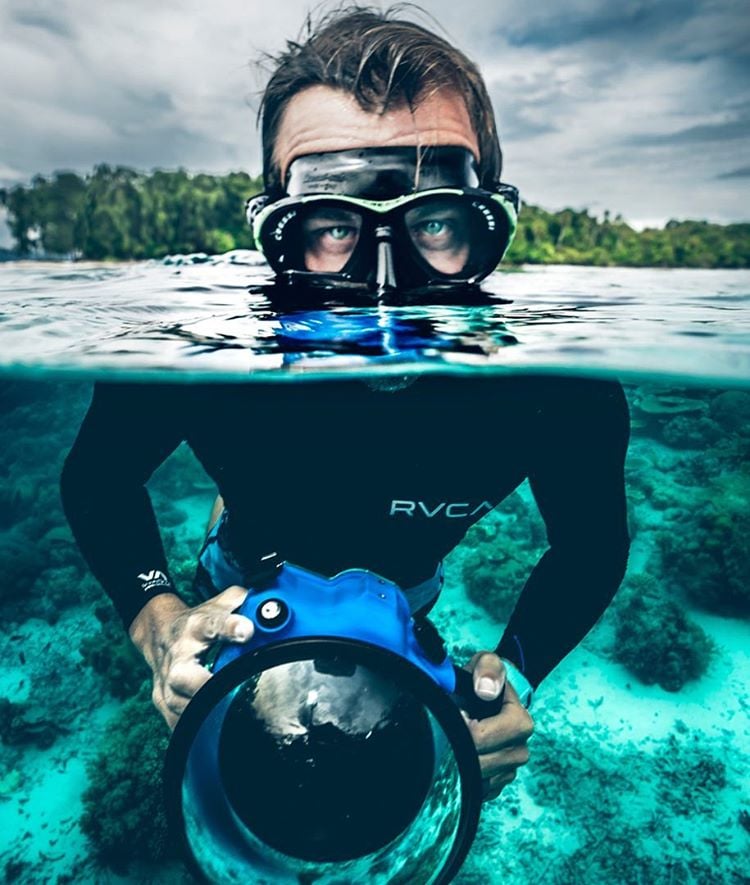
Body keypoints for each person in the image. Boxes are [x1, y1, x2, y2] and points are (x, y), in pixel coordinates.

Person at [60, 6, 630, 804]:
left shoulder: (559, 388)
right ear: (273, 228)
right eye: (331, 226)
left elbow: (592, 544)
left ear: (490, 219)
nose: (385, 298)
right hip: (243, 572)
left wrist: (517, 672)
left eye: (437, 221)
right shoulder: (192, 342)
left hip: (406, 587)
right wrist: (159, 621)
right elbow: (98, 478)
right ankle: (231, 520)